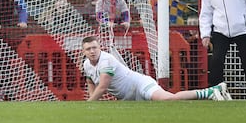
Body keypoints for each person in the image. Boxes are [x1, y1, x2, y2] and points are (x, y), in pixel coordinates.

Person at [81, 35, 230, 101]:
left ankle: (211, 91)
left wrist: (90, 104)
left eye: (94, 48)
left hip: (139, 84)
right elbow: (90, 83)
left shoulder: (106, 60)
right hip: (128, 97)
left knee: (168, 99)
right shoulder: (87, 64)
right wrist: (94, 103)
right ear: (84, 51)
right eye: (88, 49)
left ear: (100, 47)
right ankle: (214, 92)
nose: (92, 51)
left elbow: (102, 87)